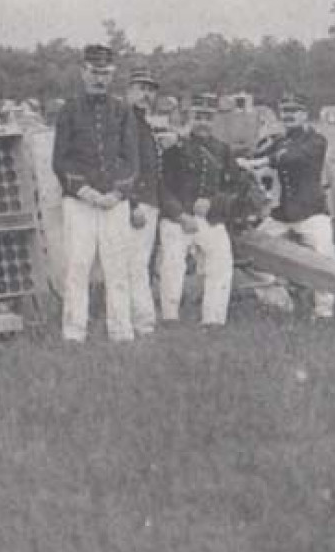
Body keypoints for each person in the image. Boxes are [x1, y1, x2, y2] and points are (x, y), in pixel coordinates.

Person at [52, 43, 139, 343]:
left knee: (118, 267)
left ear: (112, 74)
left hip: (115, 202)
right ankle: (74, 333)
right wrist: (85, 191)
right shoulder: (69, 110)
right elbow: (60, 159)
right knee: (78, 266)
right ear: (83, 72)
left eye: (105, 73)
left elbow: (131, 159)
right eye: (94, 72)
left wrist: (117, 193)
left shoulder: (123, 111)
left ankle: (122, 332)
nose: (99, 79)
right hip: (80, 202)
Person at [245, 94, 335, 319]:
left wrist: (262, 162)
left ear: (305, 114)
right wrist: (243, 163)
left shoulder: (317, 141)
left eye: (294, 111)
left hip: (311, 213)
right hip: (283, 214)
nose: (289, 116)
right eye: (285, 111)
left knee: (324, 259)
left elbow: (292, 158)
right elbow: (258, 156)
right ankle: (281, 302)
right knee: (250, 253)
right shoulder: (280, 141)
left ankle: (324, 312)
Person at [158, 93, 240, 327]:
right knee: (172, 261)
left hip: (209, 219)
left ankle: (213, 320)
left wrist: (213, 202)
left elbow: (235, 186)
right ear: (190, 117)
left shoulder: (222, 149)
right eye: (199, 116)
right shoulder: (175, 147)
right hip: (177, 218)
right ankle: (170, 318)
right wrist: (180, 215)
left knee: (222, 259)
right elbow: (161, 185)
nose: (203, 122)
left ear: (214, 119)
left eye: (208, 117)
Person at [125, 68, 164, 337]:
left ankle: (138, 319)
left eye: (150, 90)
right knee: (135, 263)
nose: (146, 94)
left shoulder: (142, 123)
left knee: (140, 262)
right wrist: (133, 203)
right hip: (136, 203)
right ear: (129, 90)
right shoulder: (125, 121)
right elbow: (120, 165)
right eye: (140, 88)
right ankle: (143, 322)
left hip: (150, 201)